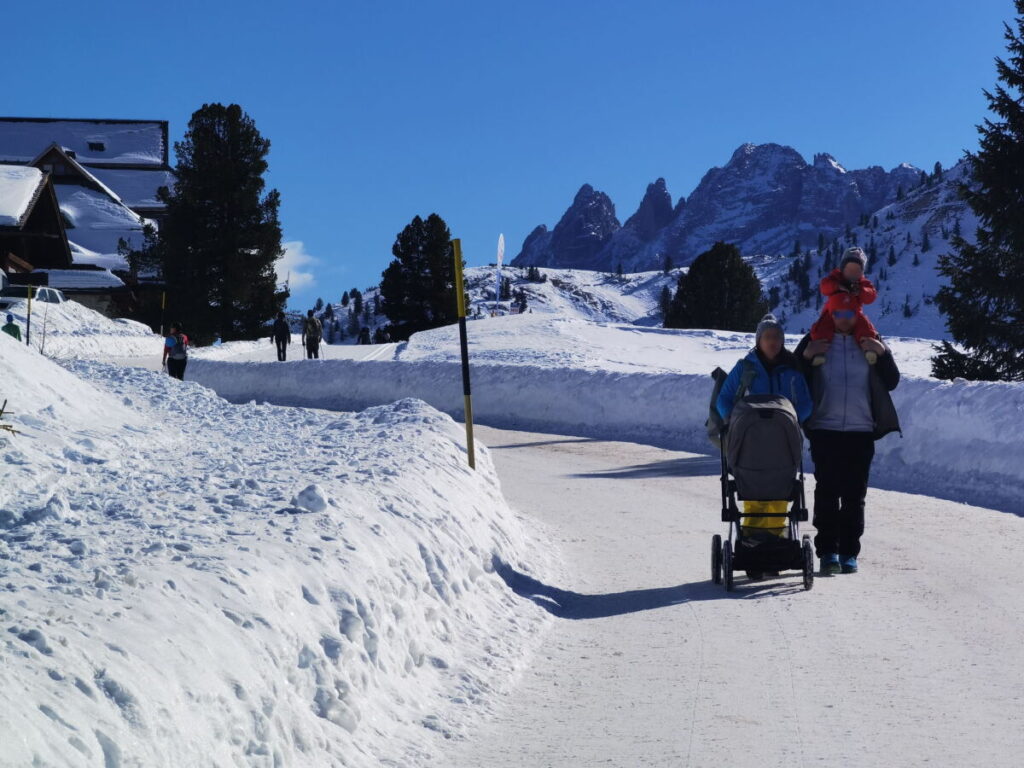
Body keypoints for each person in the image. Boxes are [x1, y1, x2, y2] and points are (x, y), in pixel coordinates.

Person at [794, 306, 901, 576]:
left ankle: (849, 552)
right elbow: (794, 379)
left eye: (849, 313)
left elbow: (892, 381)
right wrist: (806, 357)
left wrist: (883, 354)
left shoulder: (869, 338)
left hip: (861, 429)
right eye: (838, 313)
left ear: (858, 314)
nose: (843, 319)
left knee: (854, 495)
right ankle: (828, 552)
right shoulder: (815, 338)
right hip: (824, 428)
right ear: (830, 312)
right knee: (828, 492)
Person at [717, 313, 813, 579]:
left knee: (777, 499)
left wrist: (794, 419)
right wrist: (735, 421)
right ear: (758, 341)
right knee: (754, 499)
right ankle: (754, 549)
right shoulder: (745, 367)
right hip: (751, 443)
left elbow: (805, 402)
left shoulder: (792, 369)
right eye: (768, 338)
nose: (774, 343)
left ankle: (772, 549)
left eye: (778, 338)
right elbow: (724, 399)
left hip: (782, 442)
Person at [809, 247, 880, 366]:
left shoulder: (862, 283)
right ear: (842, 268)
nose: (853, 273)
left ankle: (868, 348)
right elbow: (824, 287)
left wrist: (861, 291)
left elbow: (871, 296)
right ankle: (819, 352)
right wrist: (837, 286)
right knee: (822, 327)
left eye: (856, 270)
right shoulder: (835, 277)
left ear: (861, 272)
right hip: (832, 312)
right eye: (849, 269)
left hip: (854, 314)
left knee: (865, 327)